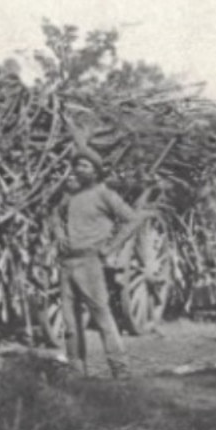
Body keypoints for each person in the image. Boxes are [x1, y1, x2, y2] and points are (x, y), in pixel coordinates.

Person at [51, 147, 139, 378]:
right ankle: (76, 370)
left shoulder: (104, 194)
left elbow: (131, 220)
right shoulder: (70, 196)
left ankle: (120, 369)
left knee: (102, 316)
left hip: (90, 262)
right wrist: (59, 233)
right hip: (67, 263)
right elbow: (55, 215)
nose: (79, 170)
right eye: (77, 165)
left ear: (96, 172)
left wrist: (110, 248)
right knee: (70, 324)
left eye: (85, 166)